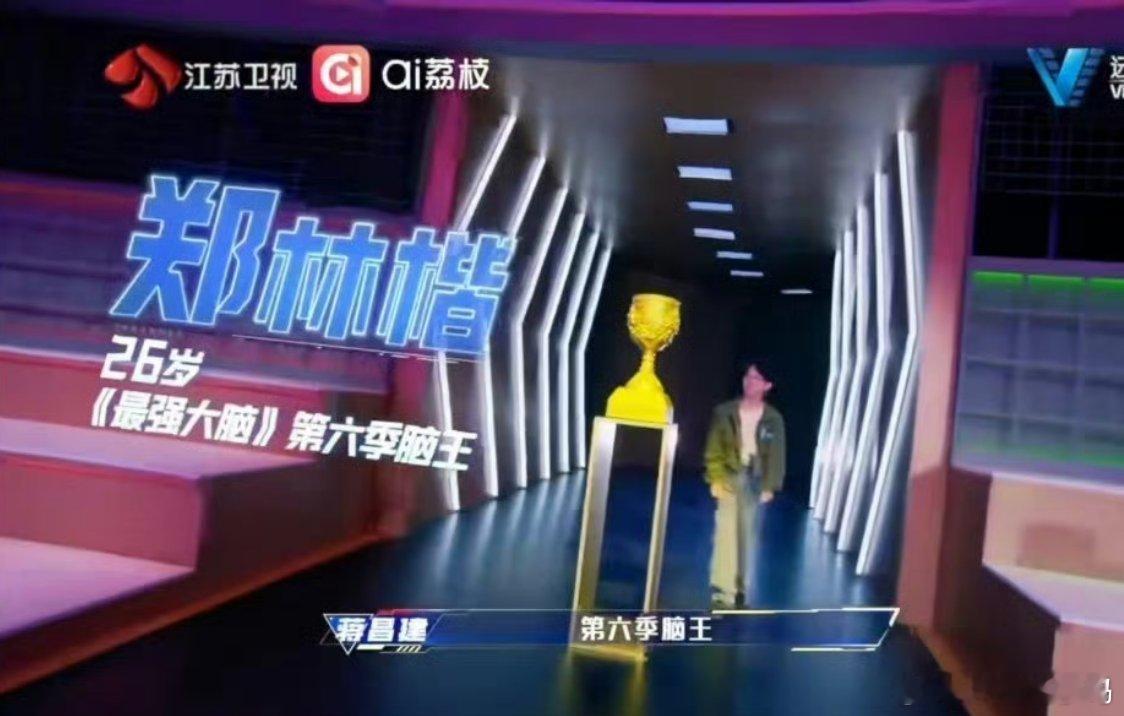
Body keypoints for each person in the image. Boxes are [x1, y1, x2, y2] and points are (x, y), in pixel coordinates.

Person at [704, 362, 786, 608]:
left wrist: (770, 485)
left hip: (755, 479)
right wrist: (715, 478)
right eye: (748, 376)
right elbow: (714, 448)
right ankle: (723, 591)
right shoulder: (724, 412)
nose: (750, 382)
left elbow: (777, 454)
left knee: (747, 534)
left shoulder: (773, 418)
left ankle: (740, 587)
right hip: (731, 474)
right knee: (726, 531)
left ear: (767, 385)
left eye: (756, 378)